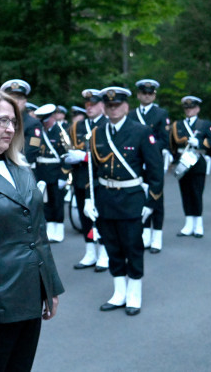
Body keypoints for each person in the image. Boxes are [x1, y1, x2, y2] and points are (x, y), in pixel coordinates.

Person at [0, 88, 63, 372]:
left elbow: (37, 232)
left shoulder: (19, 167)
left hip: (30, 293)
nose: (11, 128)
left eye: (13, 121)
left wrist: (49, 285)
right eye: (1, 121)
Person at [84, 87, 163, 316]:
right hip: (106, 200)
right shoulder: (97, 133)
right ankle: (119, 292)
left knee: (133, 247)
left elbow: (156, 171)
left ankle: (134, 294)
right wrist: (90, 200)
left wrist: (151, 203)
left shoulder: (140, 131)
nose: (113, 109)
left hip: (131, 200)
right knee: (112, 247)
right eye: (109, 106)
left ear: (126, 107)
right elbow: (92, 171)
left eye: (117, 105)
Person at [64, 89, 109, 272]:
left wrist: (84, 157)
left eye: (94, 104)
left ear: (102, 105)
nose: (89, 108)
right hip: (82, 179)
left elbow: (109, 154)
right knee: (85, 218)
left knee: (102, 217)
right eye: (87, 105)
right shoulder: (77, 127)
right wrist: (68, 158)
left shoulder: (107, 125)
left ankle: (104, 253)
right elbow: (65, 148)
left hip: (100, 180)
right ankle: (90, 252)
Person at [129, 79, 170, 254]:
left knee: (156, 197)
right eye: (144, 93)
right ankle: (145, 233)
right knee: (140, 196)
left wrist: (148, 148)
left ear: (154, 95)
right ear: (138, 95)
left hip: (153, 161)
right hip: (137, 162)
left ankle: (157, 235)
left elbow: (165, 140)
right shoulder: (131, 115)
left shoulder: (161, 114)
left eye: (150, 93)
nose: (147, 96)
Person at [171, 96, 211, 238]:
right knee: (185, 193)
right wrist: (172, 159)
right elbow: (173, 144)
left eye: (192, 108)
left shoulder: (204, 124)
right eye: (187, 108)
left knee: (196, 193)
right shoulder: (178, 125)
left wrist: (200, 143)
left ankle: (198, 224)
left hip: (197, 161)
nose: (189, 110)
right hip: (183, 162)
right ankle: (188, 223)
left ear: (197, 109)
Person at [34, 103, 68, 242]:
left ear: (52, 118)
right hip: (42, 172)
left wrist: (64, 175)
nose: (44, 124)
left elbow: (67, 155)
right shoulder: (38, 132)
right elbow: (33, 150)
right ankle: (50, 229)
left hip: (56, 172)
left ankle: (59, 230)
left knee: (57, 202)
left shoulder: (62, 132)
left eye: (46, 120)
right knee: (46, 203)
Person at [0, 79, 43, 166]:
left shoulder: (33, 123)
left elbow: (31, 151)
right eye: (12, 97)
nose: (16, 101)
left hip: (21, 167)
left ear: (25, 101)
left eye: (20, 98)